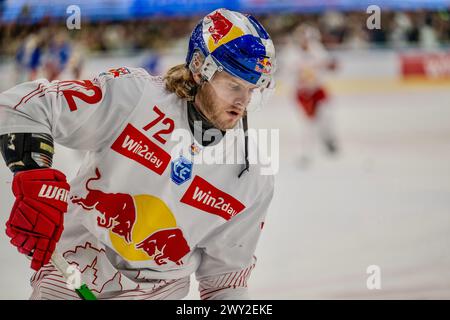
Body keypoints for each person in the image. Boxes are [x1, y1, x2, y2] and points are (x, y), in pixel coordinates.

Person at [0, 8, 276, 300]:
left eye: (252, 89)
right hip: (71, 277)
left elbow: (225, 282)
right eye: (233, 85)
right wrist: (34, 174)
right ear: (199, 67)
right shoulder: (133, 95)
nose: (242, 101)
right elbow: (23, 105)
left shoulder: (251, 176)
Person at [293, 23, 338, 167]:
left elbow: (329, 64)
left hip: (318, 89)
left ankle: (328, 139)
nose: (306, 41)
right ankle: (306, 153)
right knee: (308, 124)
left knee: (327, 115)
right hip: (304, 93)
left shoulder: (317, 50)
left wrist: (331, 65)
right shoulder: (291, 54)